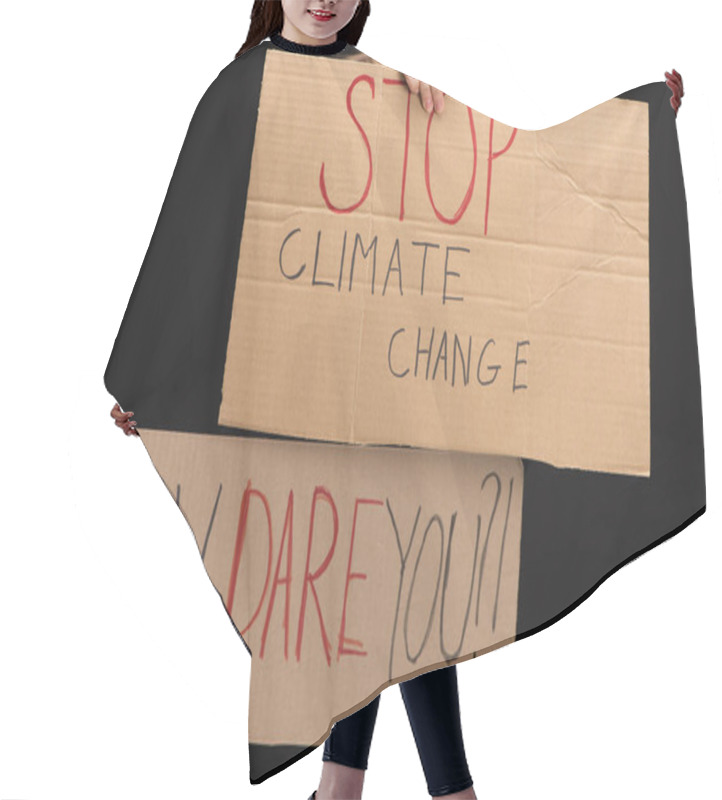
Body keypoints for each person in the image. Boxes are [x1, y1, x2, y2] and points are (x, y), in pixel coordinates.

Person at [110, 2, 685, 798]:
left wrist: (634, 141)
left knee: (413, 570)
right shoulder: (242, 89)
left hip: (391, 389)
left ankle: (351, 787)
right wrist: (147, 372)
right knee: (361, 579)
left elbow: (510, 188)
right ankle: (426, 790)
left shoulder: (387, 93)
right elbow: (197, 239)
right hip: (293, 392)